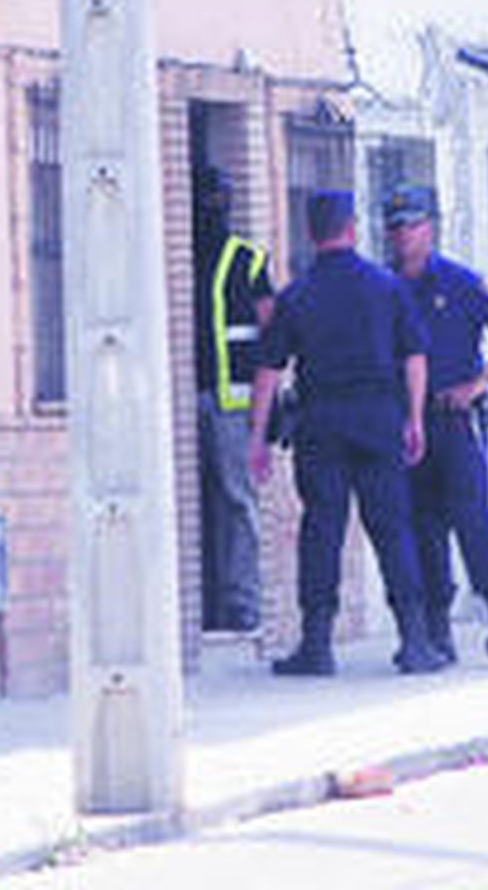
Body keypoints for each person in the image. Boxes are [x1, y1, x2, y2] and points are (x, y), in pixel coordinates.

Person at [247, 190, 447, 676]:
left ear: (311, 233)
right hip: (379, 419)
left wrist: (258, 437)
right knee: (392, 528)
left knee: (322, 530)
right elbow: (414, 357)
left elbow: (269, 370)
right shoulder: (386, 286)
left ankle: (317, 645)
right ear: (353, 227)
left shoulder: (297, 294)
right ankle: (415, 642)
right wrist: (415, 418)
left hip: (321, 422)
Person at [383, 184, 488, 660]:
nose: (404, 235)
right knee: (423, 529)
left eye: (413, 224)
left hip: (455, 419)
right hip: (408, 424)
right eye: (396, 226)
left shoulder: (459, 281)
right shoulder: (384, 287)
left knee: (473, 523)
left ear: (432, 227)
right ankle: (436, 629)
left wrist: (485, 379)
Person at [193, 167, 274, 632]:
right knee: (201, 501)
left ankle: (242, 601)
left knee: (237, 501)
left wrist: (272, 404)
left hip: (233, 403)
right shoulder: (172, 253)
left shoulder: (248, 259)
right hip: (187, 398)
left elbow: (273, 332)